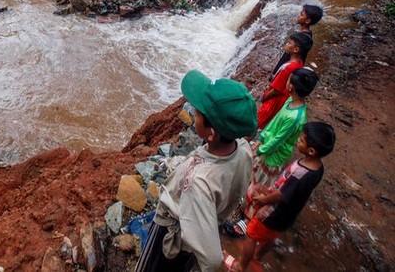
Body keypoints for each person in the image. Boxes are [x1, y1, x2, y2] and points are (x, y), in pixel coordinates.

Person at [135, 70, 258, 272]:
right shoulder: (243, 148)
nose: (193, 113)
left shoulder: (198, 183)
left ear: (211, 133)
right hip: (207, 221)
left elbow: (210, 260)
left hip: (175, 238)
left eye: (198, 113)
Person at [223, 68, 319, 238]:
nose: (286, 82)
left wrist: (260, 149)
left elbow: (279, 140)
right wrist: (262, 137)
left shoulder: (296, 117)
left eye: (288, 80)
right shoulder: (290, 101)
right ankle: (245, 203)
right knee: (254, 176)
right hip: (267, 148)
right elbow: (274, 123)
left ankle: (247, 219)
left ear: (291, 87)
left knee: (263, 185)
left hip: (275, 155)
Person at [238, 122, 336, 271]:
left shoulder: (300, 174)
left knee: (251, 234)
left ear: (311, 151)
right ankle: (257, 257)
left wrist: (263, 200)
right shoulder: (318, 168)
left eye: (302, 140)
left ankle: (241, 265)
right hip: (287, 216)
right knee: (269, 237)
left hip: (274, 212)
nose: (298, 140)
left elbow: (280, 196)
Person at [257, 32, 312, 131]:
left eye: (289, 43)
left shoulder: (288, 67)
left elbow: (276, 90)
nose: (286, 44)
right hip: (283, 98)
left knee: (259, 122)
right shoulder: (299, 63)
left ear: (296, 49)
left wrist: (264, 97)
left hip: (274, 100)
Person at [271, 4, 323, 75]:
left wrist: (275, 72)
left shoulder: (301, 38)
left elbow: (287, 57)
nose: (298, 16)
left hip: (286, 71)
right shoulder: (307, 35)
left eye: (301, 15)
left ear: (307, 21)